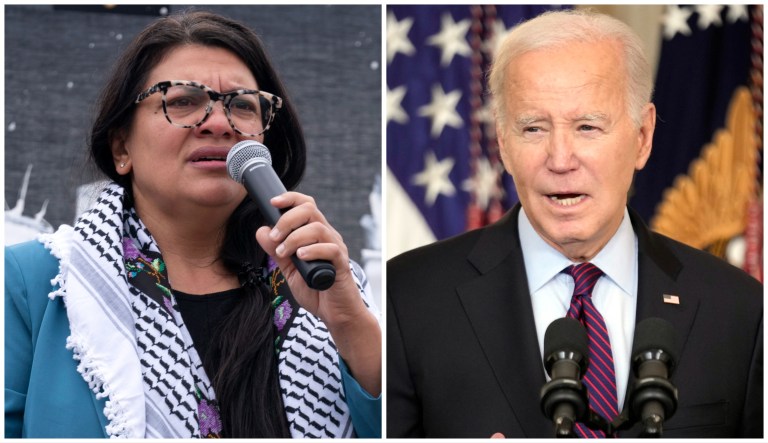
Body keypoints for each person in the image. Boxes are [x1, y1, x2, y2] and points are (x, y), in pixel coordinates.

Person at [5, 10, 381, 438]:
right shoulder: (35, 282)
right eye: (182, 100)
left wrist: (350, 325)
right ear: (121, 147)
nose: (220, 124)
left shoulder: (325, 281)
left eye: (242, 105)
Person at [387, 9, 762, 438]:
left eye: (587, 127)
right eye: (533, 128)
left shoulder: (740, 310)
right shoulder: (408, 298)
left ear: (643, 137)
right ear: (504, 144)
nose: (561, 159)